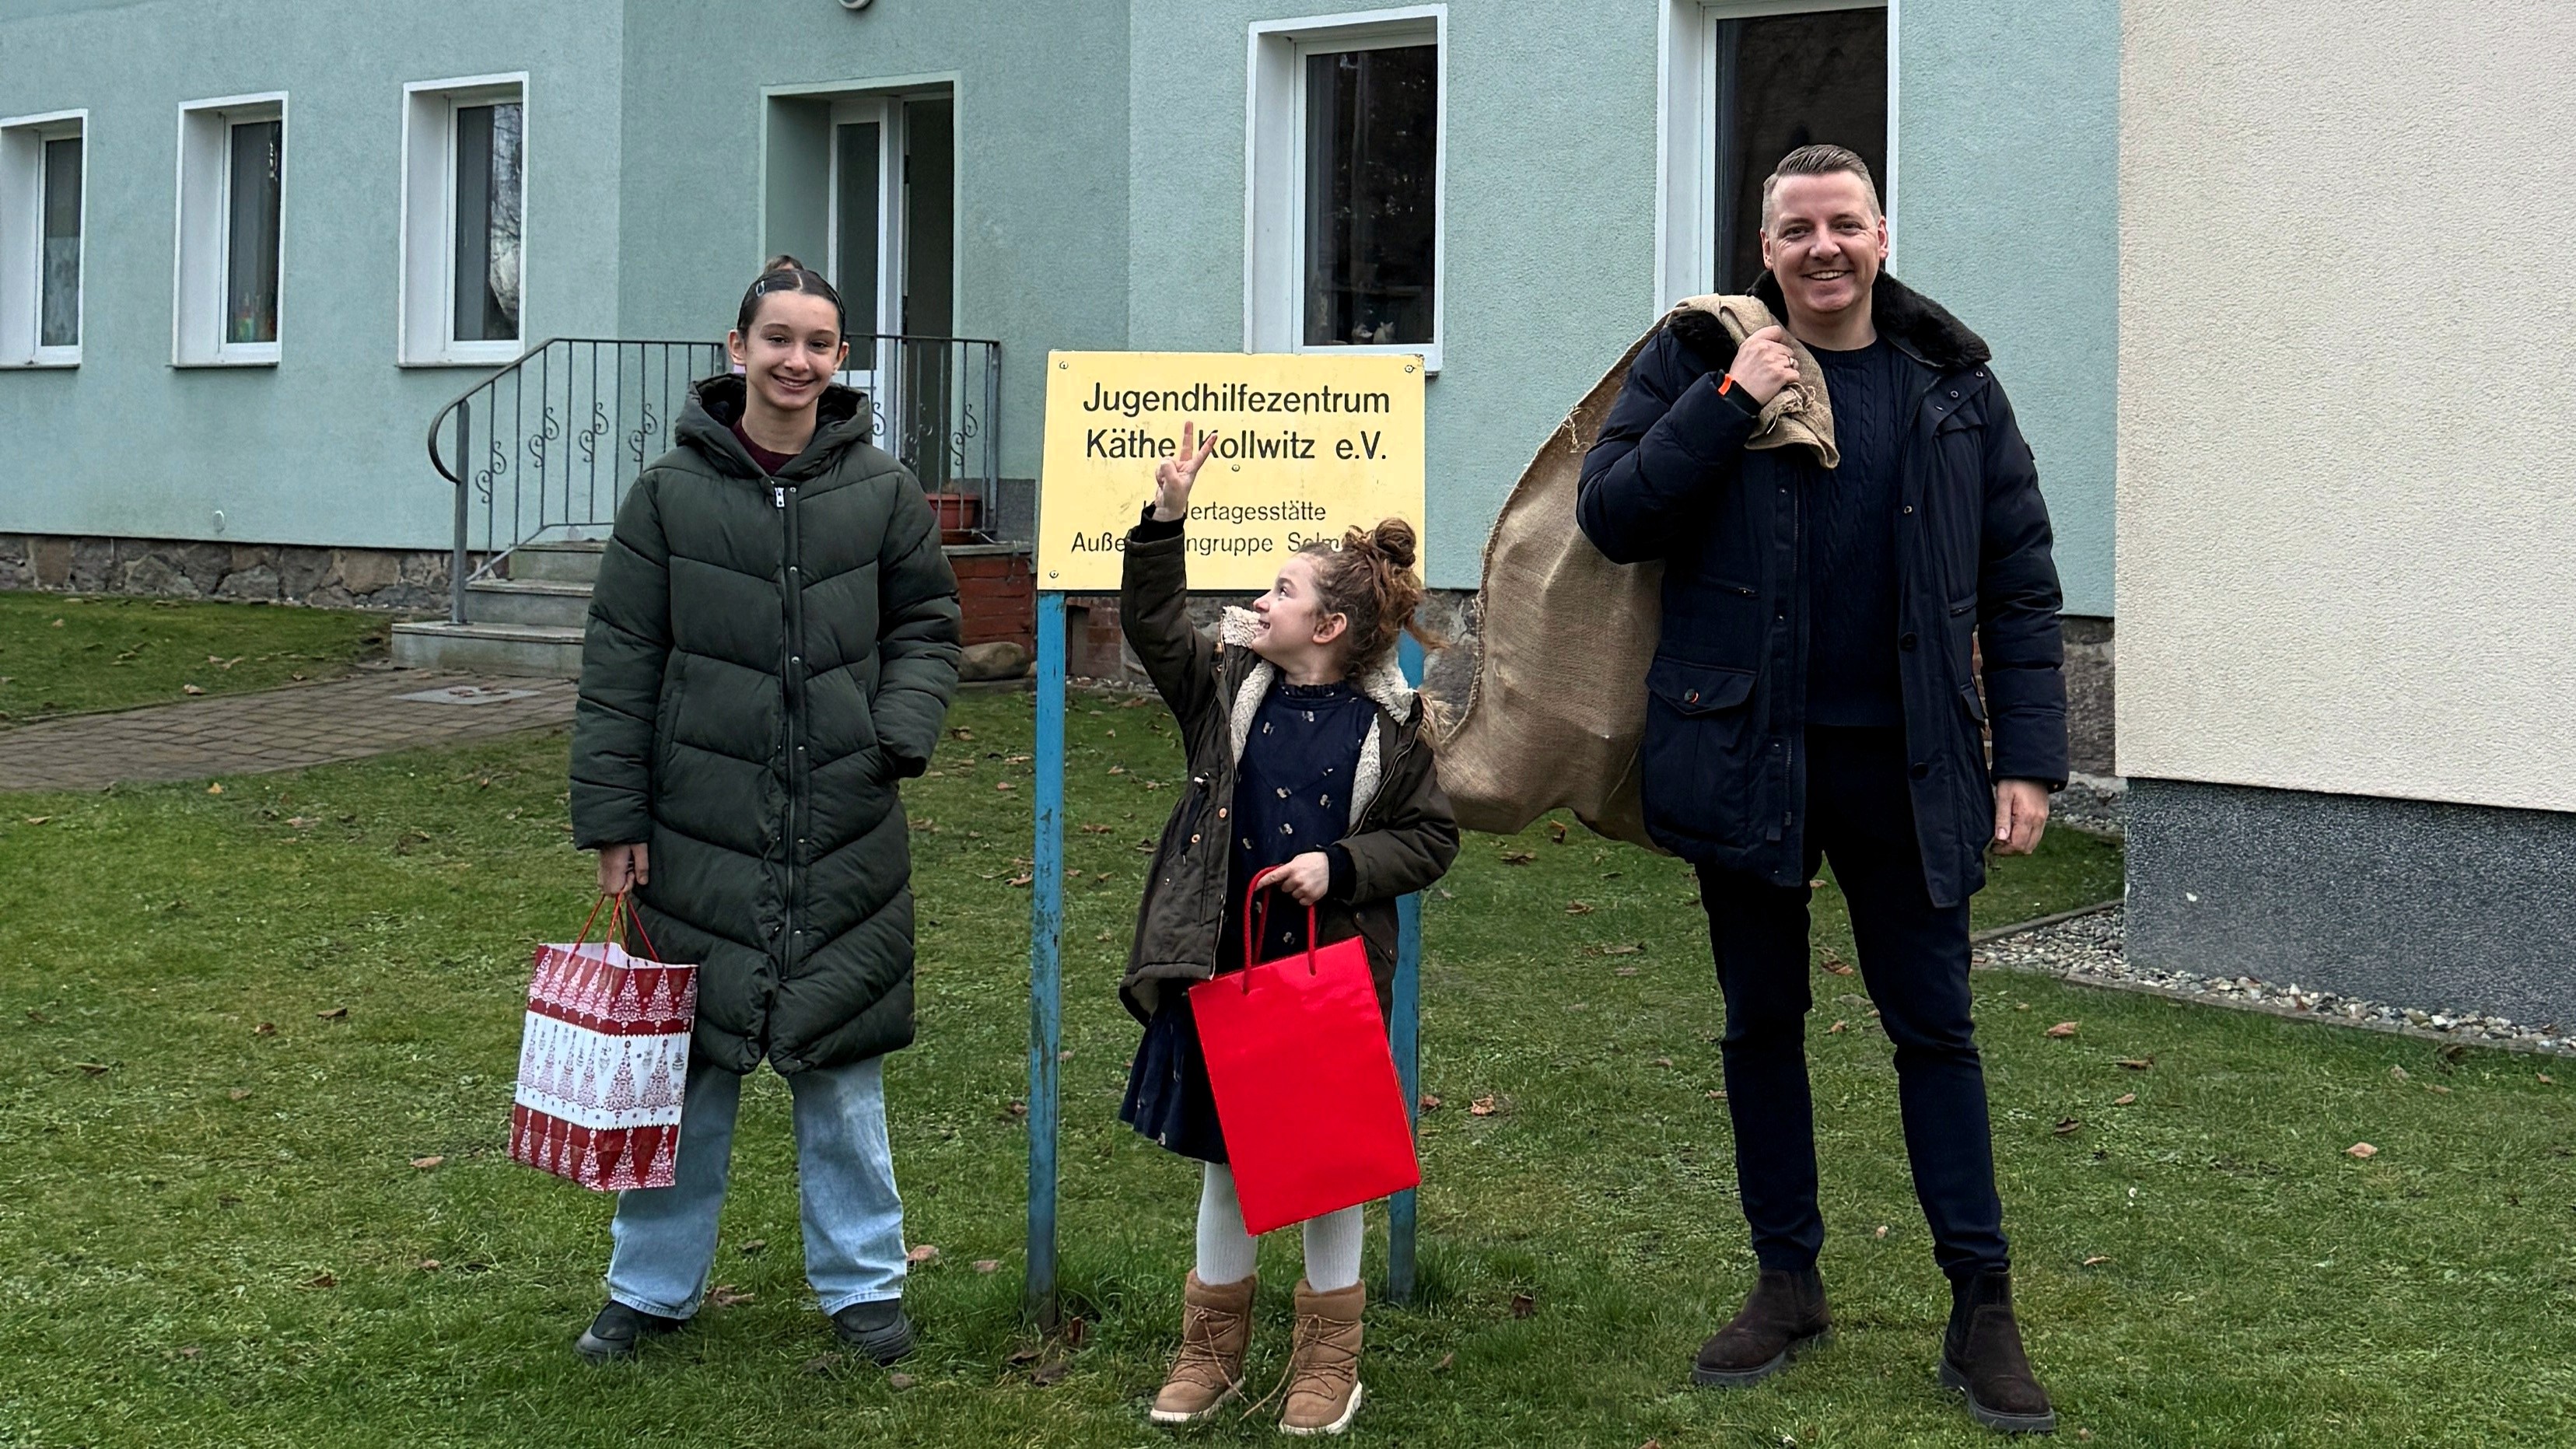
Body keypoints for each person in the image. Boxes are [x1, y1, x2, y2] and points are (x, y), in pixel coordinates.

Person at [1577, 145, 2067, 1436]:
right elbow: (1614, 514)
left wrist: (2027, 754)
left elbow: (2017, 578)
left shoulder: (1954, 385)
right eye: (1798, 229)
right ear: (1768, 242)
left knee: (1936, 1031)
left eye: (1845, 224)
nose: (1824, 248)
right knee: (1761, 1024)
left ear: (1884, 236)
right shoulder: (1696, 357)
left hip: (1909, 766)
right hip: (1747, 752)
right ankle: (1787, 1281)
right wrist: (1732, 397)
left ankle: (1983, 1305)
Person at [565, 255, 962, 1366]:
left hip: (843, 822)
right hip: (697, 823)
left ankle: (865, 1287)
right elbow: (619, 666)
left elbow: (928, 626)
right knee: (682, 1070)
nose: (796, 360)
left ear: (841, 361)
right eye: (776, 338)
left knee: (841, 1066)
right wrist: (614, 820)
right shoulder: (665, 497)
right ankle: (647, 1287)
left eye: (818, 343)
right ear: (734, 349)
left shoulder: (881, 492)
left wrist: (896, 735)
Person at [1117, 423, 1458, 1436]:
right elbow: (1148, 623)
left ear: (1330, 627)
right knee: (1230, 1159)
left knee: (1328, 1171)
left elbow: (1430, 842)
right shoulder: (1223, 692)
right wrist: (1164, 519)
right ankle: (1209, 1350)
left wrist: (1341, 865)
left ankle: (1327, 1365)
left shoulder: (1393, 734)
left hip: (1332, 983)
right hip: (1230, 971)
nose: (1259, 602)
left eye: (1281, 592)